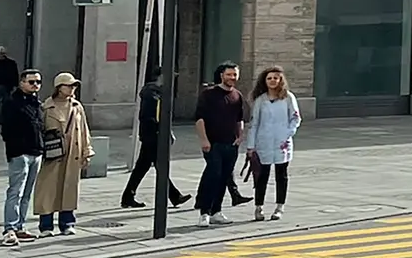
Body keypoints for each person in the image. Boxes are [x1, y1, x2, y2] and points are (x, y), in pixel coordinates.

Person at [35, 73, 90, 236]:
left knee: (69, 188)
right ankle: (46, 225)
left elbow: (84, 130)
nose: (72, 88)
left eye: (74, 86)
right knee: (48, 189)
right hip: (53, 153)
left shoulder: (77, 106)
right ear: (59, 87)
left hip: (73, 152)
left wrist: (87, 151)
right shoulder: (47, 107)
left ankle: (67, 223)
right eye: (69, 85)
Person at [194, 62, 247, 228]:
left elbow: (239, 119)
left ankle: (216, 211)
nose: (232, 77)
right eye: (229, 74)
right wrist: (204, 139)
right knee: (213, 175)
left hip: (231, 144)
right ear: (221, 75)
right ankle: (204, 212)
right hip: (213, 144)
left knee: (224, 177)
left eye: (235, 74)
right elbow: (199, 119)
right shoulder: (209, 94)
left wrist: (240, 136)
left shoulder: (237, 95)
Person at [120, 81, 187, 211]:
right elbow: (156, 118)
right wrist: (164, 133)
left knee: (143, 167)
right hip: (153, 137)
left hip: (149, 136)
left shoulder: (152, 94)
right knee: (158, 167)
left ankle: (128, 196)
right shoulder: (153, 97)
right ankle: (174, 196)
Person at [244, 67, 300, 221]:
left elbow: (295, 118)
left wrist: (287, 133)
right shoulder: (260, 100)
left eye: (276, 78)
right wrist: (251, 146)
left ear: (281, 80)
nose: (272, 81)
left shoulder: (288, 97)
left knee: (281, 175)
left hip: (282, 143)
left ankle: (279, 206)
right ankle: (259, 207)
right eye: (269, 78)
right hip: (264, 142)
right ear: (265, 81)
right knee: (262, 176)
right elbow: (254, 123)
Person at [0, 67, 45, 244]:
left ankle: (20, 227)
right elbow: (6, 129)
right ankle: (9, 229)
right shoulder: (12, 102)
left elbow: (40, 125)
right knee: (15, 191)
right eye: (31, 82)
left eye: (38, 82)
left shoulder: (36, 103)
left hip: (36, 152)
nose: (35, 85)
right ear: (22, 83)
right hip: (20, 153)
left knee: (27, 193)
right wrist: (15, 148)